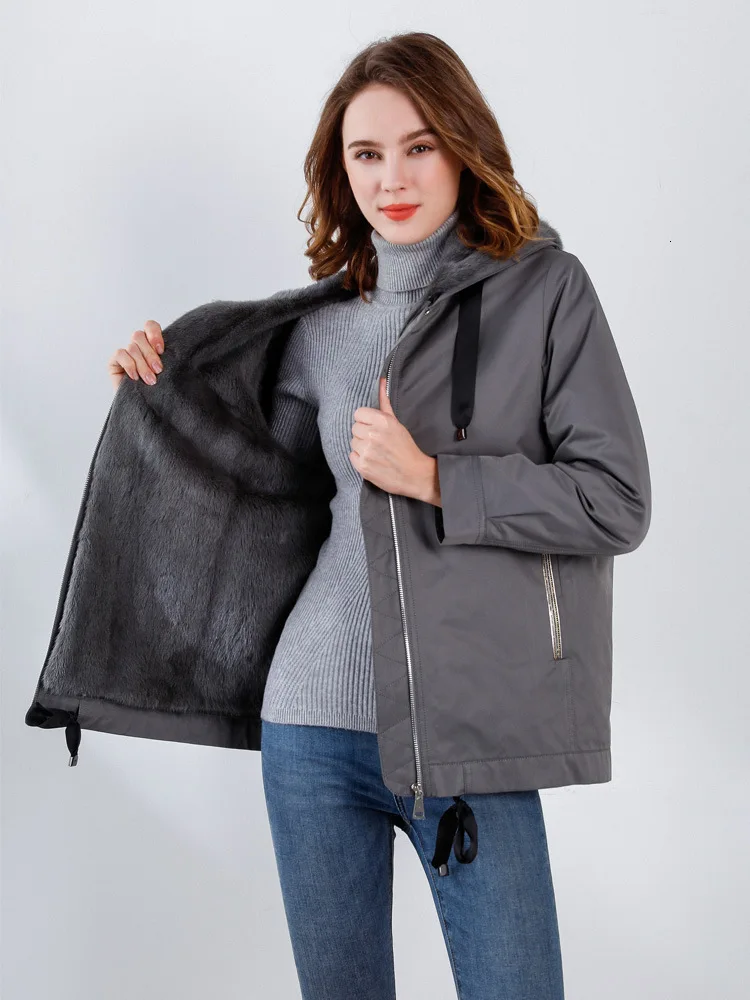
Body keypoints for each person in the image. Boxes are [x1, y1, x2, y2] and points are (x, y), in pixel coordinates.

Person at [93, 30, 649, 1000]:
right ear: (339, 169)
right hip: (309, 724)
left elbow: (617, 500)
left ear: (463, 145)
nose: (392, 177)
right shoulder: (317, 326)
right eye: (367, 153)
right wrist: (156, 384)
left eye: (419, 146)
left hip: (467, 734)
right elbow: (238, 483)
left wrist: (437, 478)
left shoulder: (546, 292)